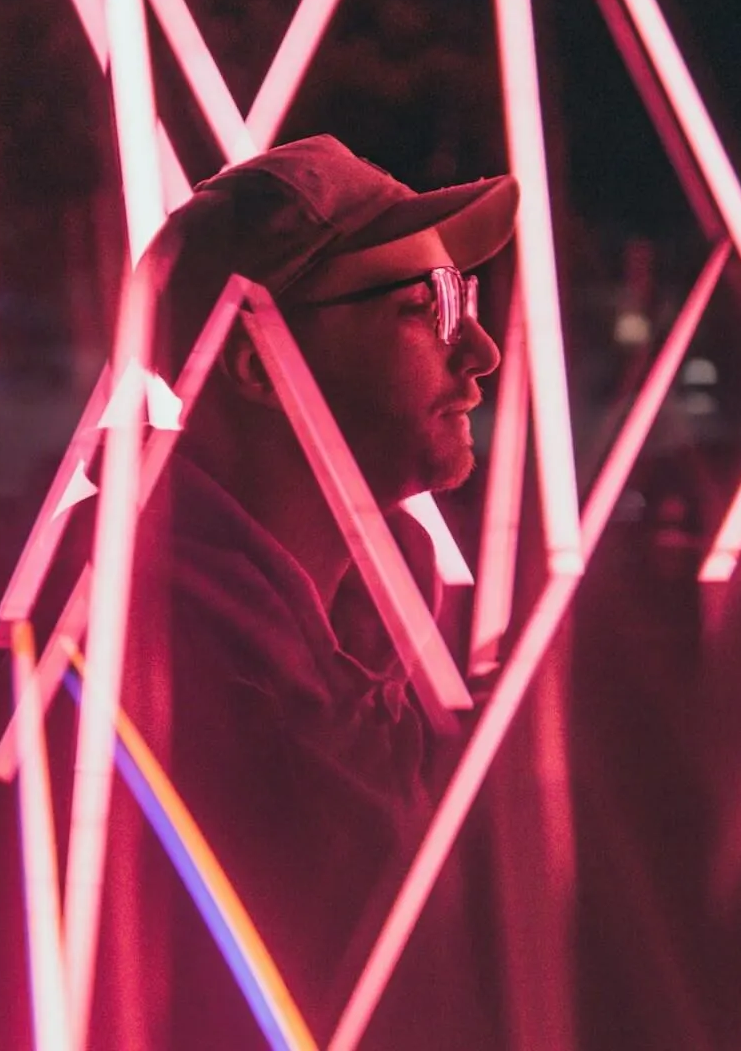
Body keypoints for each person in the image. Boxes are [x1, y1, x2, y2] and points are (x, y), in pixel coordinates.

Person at [117, 134, 516, 1047]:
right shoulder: (137, 666)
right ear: (254, 362)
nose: (482, 353)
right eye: (430, 307)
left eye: (467, 299)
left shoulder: (395, 630)